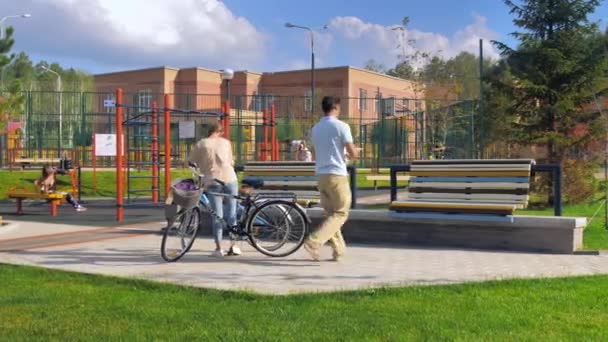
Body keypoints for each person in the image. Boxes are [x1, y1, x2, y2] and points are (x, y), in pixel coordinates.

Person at [305, 96, 358, 261]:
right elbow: (353, 152)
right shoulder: (342, 126)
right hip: (337, 174)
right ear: (335, 107)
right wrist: (352, 155)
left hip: (321, 174)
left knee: (330, 215)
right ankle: (315, 241)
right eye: (339, 107)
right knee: (341, 212)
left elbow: (314, 154)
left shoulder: (315, 129)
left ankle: (339, 251)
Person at [188, 121, 240, 258]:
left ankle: (218, 248)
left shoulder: (201, 144)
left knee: (217, 215)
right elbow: (231, 161)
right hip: (230, 178)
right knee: (232, 213)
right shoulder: (226, 143)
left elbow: (191, 161)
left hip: (212, 180)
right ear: (220, 132)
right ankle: (233, 245)